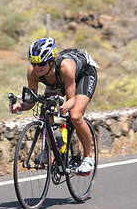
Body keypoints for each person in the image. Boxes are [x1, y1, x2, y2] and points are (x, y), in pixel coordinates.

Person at [12, 37, 99, 173]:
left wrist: (66, 106)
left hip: (83, 75)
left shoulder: (66, 67)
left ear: (51, 61)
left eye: (41, 64)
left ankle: (88, 157)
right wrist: (21, 106)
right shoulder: (33, 72)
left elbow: (71, 100)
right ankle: (53, 146)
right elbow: (31, 101)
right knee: (46, 108)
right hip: (57, 81)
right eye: (33, 63)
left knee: (75, 116)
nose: (37, 68)